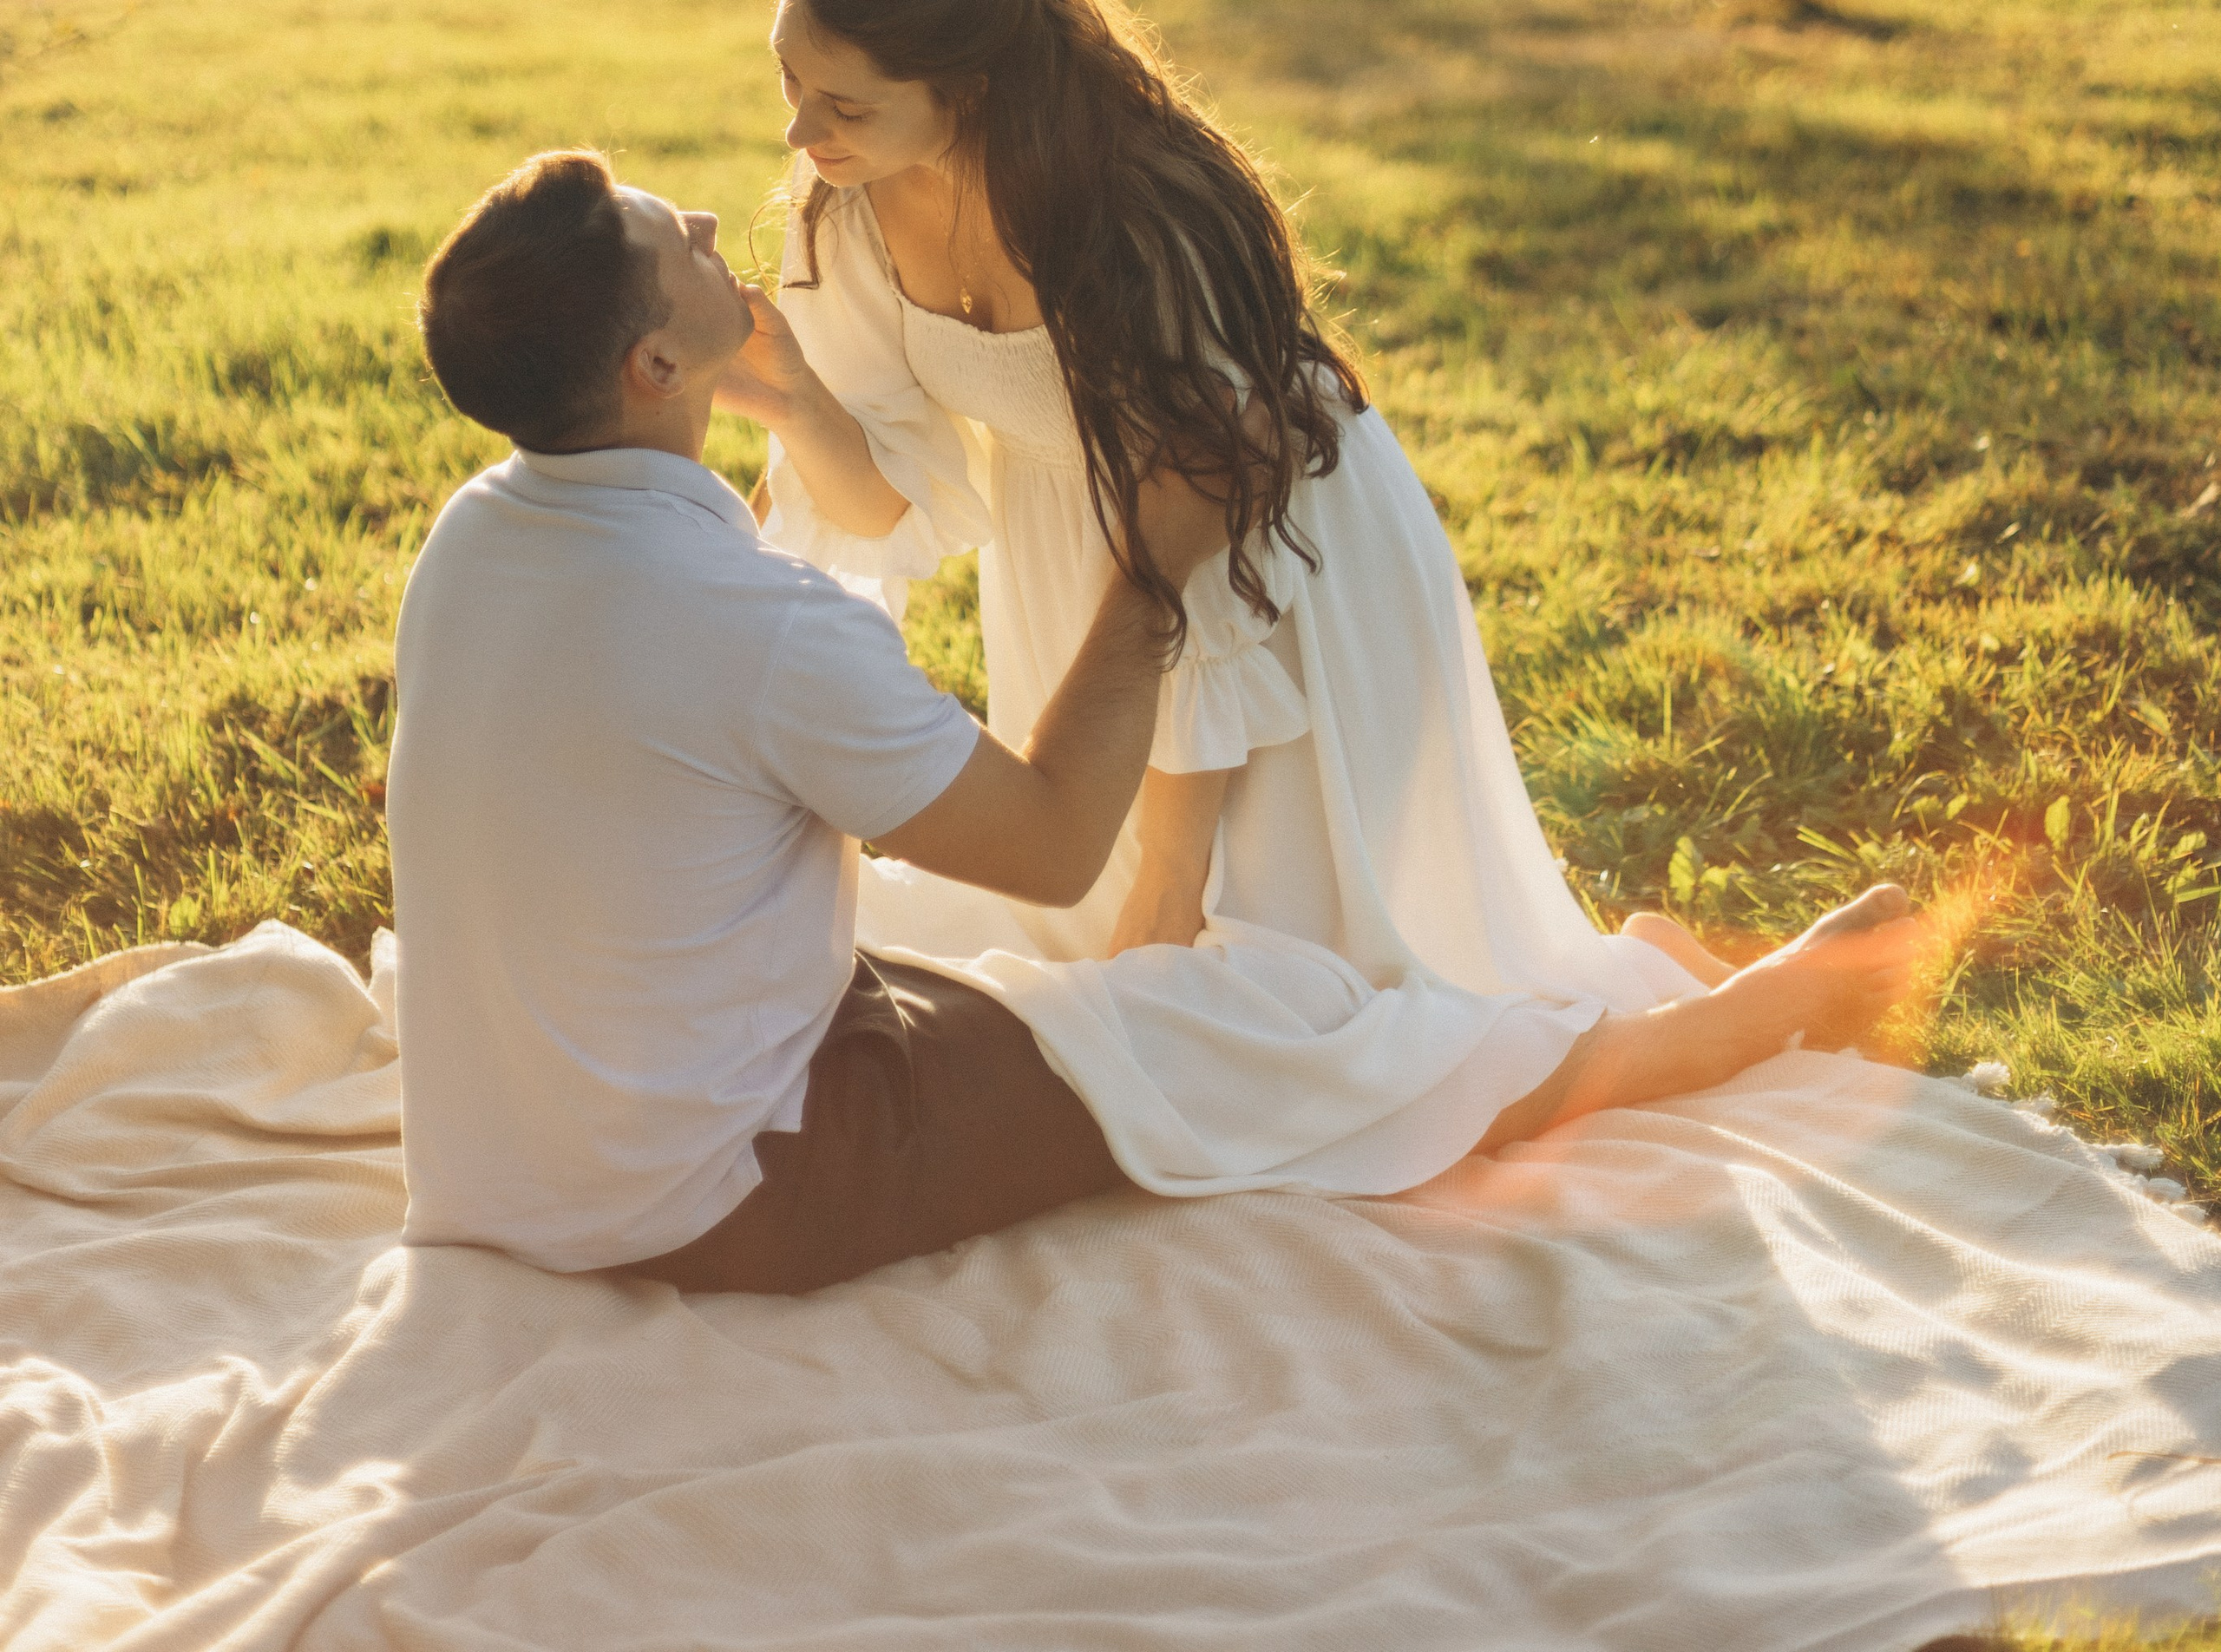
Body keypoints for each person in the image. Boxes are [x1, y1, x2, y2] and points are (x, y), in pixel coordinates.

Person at [390, 145, 1912, 1295]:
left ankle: (1595, 989)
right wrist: (1153, 574)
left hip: (506, 1159)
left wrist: (787, 408)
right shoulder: (753, 632)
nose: (719, 224)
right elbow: (1051, 846)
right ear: (657, 368)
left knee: (1012, 935)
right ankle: (1745, 1020)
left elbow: (706, 698)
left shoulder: (478, 532)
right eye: (678, 240)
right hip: (730, 1185)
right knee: (1264, 1018)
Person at [742, 0, 1916, 1190]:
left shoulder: (1139, 217)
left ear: (975, 86)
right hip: (1093, 609)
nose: (799, 130)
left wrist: (1170, 881)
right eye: (788, 76)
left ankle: (1755, 1005)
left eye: (840, 98)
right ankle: (1638, 981)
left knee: (1281, 1015)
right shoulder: (847, 196)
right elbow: (899, 499)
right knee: (1158, 1000)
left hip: (1271, 582)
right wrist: (793, 404)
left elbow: (1206, 538)